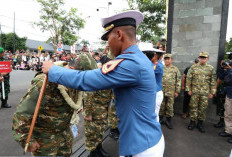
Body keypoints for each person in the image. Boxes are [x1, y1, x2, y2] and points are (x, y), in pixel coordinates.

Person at [42, 10, 164, 157]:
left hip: (141, 147)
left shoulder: (130, 63)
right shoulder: (139, 58)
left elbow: (86, 79)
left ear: (119, 35)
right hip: (144, 139)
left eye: (108, 38)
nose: (108, 44)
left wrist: (53, 70)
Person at [12, 59, 87, 156]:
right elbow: (22, 114)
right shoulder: (44, 82)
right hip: (45, 140)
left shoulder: (72, 78)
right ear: (72, 69)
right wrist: (27, 140)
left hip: (64, 135)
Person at [186, 51, 216, 133]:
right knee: (193, 107)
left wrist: (212, 92)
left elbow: (213, 81)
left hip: (205, 93)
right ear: (199, 58)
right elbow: (189, 79)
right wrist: (188, 89)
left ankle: (200, 124)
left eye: (204, 58)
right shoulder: (193, 67)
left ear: (207, 59)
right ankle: (192, 123)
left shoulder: (211, 68)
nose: (202, 59)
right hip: (194, 92)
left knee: (203, 108)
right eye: (201, 57)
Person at [159, 54, 181, 129]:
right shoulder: (160, 68)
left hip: (171, 91)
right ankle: (160, 120)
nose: (167, 60)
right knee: (161, 106)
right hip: (161, 91)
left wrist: (177, 91)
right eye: (165, 59)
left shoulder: (175, 69)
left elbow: (178, 80)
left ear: (172, 60)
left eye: (168, 59)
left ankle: (168, 121)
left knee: (170, 107)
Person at [217, 60, 232, 143]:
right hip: (229, 95)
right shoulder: (227, 71)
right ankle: (228, 131)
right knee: (228, 114)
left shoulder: (230, 72)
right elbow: (220, 76)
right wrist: (221, 67)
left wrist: (230, 69)